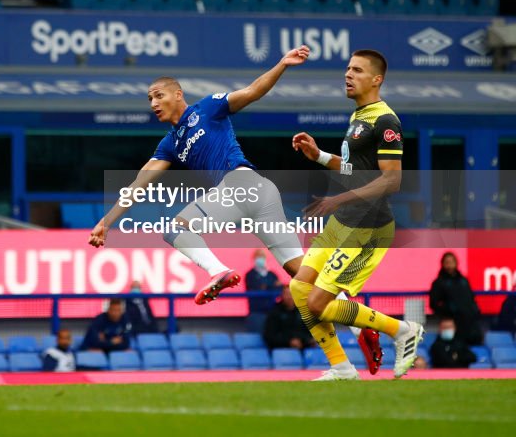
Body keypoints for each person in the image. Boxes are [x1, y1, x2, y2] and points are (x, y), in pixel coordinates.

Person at [89, 46, 311, 305]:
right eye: (150, 99)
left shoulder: (207, 107)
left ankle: (218, 271)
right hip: (256, 195)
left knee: (174, 229)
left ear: (178, 94)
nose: (154, 104)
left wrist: (282, 64)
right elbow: (139, 184)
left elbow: (252, 92)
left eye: (159, 96)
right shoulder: (169, 145)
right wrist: (107, 221)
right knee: (303, 273)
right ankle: (359, 321)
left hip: (243, 185)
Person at [290, 49, 424, 381]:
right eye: (348, 69)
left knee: (319, 302)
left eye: (358, 70)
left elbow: (392, 180)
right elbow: (354, 169)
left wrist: (340, 199)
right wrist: (318, 155)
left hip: (367, 224)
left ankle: (403, 329)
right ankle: (342, 368)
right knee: (298, 289)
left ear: (376, 79)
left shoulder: (386, 121)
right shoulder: (359, 117)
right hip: (344, 219)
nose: (348, 75)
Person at [430, 251, 483, 345]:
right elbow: (434, 304)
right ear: (443, 264)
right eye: (447, 262)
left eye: (452, 262)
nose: (450, 265)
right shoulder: (439, 283)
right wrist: (448, 313)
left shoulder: (463, 281)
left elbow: (471, 298)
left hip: (470, 323)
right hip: (453, 325)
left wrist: (475, 310)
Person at [263, 284, 313, 351]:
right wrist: (289, 342)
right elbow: (270, 336)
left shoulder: (303, 312)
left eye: (292, 294)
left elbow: (310, 333)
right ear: (282, 296)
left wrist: (304, 341)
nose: (290, 297)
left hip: (304, 349)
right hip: (281, 351)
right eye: (287, 294)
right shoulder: (274, 313)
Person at [245, 248, 281, 332]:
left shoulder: (272, 274)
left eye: (262, 256)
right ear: (254, 258)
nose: (260, 258)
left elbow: (279, 288)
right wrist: (272, 285)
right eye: (258, 256)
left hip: (272, 312)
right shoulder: (250, 275)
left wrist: (267, 286)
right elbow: (256, 287)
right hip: (256, 312)